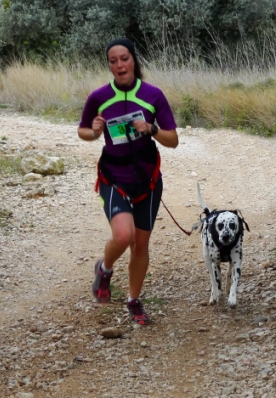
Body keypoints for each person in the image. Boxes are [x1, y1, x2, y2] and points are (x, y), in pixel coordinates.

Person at [78, 38, 178, 325]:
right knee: (124, 235)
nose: (119, 65)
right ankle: (105, 268)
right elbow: (83, 131)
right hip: (114, 177)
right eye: (113, 60)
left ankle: (133, 300)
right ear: (108, 65)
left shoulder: (153, 95)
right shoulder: (99, 97)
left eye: (124, 58)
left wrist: (152, 128)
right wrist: (95, 131)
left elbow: (173, 140)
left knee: (141, 245)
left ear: (134, 60)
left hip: (147, 179)